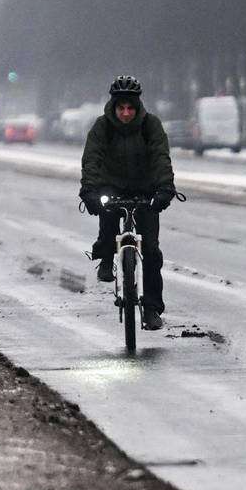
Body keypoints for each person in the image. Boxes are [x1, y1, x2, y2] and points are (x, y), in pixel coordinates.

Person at [78, 75, 178, 330]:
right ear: (113, 106)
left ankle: (152, 308)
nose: (125, 113)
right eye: (120, 107)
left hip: (144, 190)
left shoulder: (150, 125)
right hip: (112, 186)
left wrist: (165, 189)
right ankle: (105, 256)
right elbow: (92, 158)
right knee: (107, 223)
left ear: (137, 107)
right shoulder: (102, 127)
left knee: (152, 251)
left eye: (130, 108)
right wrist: (89, 191)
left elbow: (160, 157)